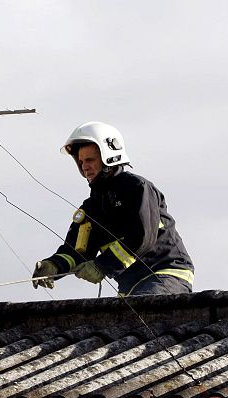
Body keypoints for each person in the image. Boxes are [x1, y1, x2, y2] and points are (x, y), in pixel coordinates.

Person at [33, 121, 194, 297]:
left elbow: (141, 237)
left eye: (90, 160)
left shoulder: (137, 188)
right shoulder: (91, 208)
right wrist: (53, 266)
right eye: (80, 162)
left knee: (142, 314)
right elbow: (76, 251)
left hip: (165, 273)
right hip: (130, 286)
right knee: (121, 322)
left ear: (109, 157)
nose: (84, 166)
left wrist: (102, 265)